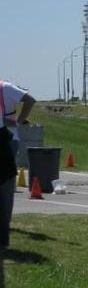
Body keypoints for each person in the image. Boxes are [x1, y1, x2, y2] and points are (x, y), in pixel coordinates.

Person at [0, 80, 36, 250]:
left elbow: (30, 100)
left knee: (6, 186)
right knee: (5, 187)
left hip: (7, 140)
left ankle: (4, 226)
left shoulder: (5, 88)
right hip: (6, 139)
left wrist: (19, 122)